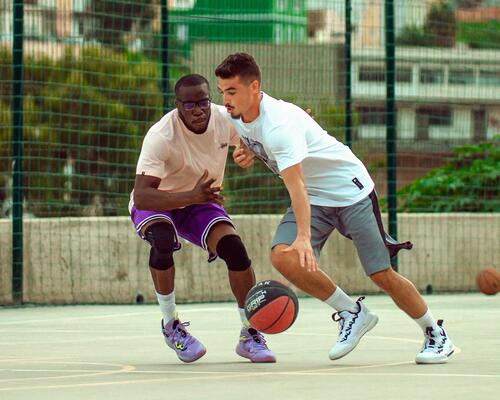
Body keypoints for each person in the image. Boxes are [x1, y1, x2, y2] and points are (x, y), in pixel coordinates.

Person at [215, 53, 454, 364]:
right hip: (316, 196)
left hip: (349, 191)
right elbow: (252, 138)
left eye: (231, 91)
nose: (226, 99)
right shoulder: (236, 114)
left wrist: (304, 236)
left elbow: (296, 185)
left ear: (254, 87)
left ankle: (436, 333)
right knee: (283, 256)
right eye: (222, 91)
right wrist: (244, 151)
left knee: (381, 273)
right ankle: (351, 312)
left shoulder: (279, 126)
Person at [129, 74, 275, 363]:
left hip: (201, 199)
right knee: (162, 240)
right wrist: (190, 197)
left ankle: (250, 331)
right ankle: (171, 325)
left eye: (204, 102)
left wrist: (249, 151)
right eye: (190, 105)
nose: (198, 110)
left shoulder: (224, 119)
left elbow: (259, 134)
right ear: (177, 105)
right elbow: (143, 195)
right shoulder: (161, 136)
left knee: (235, 249)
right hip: (160, 200)